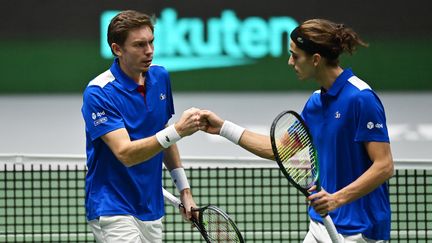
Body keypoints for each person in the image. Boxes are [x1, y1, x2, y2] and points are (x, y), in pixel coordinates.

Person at [199, 18, 394, 242]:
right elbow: (278, 150)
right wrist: (223, 128)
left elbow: (384, 166)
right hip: (322, 224)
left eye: (295, 55)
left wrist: (336, 199)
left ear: (316, 59)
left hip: (360, 232)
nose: (290, 62)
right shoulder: (315, 103)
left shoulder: (361, 98)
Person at [81, 10, 200, 242]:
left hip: (151, 206)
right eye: (139, 45)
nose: (149, 51)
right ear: (117, 49)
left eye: (151, 42)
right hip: (112, 206)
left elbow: (163, 135)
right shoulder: (99, 93)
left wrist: (185, 191)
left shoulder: (160, 77)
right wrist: (177, 131)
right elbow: (125, 153)